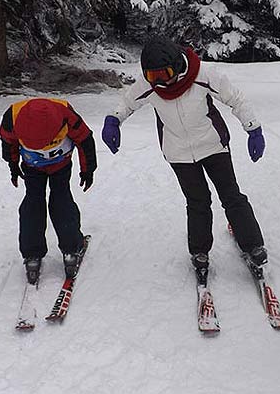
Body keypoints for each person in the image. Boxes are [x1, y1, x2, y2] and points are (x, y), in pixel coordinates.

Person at [101, 35, 267, 271]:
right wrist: (113, 121)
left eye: (164, 74)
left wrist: (253, 129)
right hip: (178, 153)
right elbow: (127, 103)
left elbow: (236, 98)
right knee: (198, 202)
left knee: (231, 196)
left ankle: (253, 245)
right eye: (152, 76)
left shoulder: (203, 75)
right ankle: (199, 251)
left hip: (213, 146)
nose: (159, 81)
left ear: (177, 65)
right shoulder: (150, 86)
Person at [0, 98, 97, 284]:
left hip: (59, 165)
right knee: (34, 204)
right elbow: (8, 142)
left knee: (59, 201)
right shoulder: (12, 117)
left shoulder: (66, 114)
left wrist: (88, 169)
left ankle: (68, 249)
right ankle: (37, 252)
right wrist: (12, 165)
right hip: (32, 167)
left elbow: (84, 139)